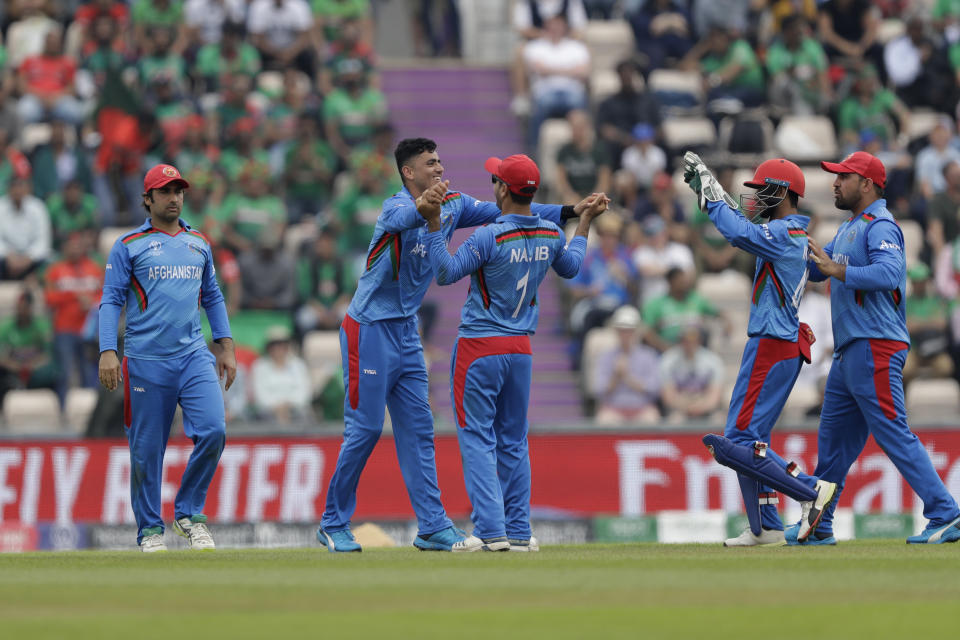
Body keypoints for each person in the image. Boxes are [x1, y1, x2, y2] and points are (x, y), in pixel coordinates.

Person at [317, 137, 603, 552]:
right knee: (364, 429)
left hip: (406, 331)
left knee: (419, 430)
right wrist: (424, 208)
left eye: (440, 161)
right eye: (429, 163)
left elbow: (515, 211)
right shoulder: (394, 207)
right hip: (369, 328)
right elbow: (403, 219)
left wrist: (571, 212)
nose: (438, 168)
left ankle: (432, 526)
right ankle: (333, 521)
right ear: (408, 173)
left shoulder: (454, 203)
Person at [418, 154, 606, 552]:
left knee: (477, 439)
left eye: (495, 180)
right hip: (521, 350)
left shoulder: (489, 235)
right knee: (514, 441)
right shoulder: (552, 234)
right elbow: (571, 268)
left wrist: (435, 225)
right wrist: (583, 223)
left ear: (504, 189)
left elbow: (446, 272)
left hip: (480, 346)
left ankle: (490, 530)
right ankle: (519, 531)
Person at [802, 151, 960, 545]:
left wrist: (836, 269)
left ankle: (946, 512)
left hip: (875, 345)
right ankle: (819, 523)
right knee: (833, 444)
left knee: (893, 431)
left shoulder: (881, 225)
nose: (835, 183)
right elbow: (817, 267)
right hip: (849, 351)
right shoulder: (849, 227)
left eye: (843, 177)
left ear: (867, 184)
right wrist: (784, 242)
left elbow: (889, 274)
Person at [683, 152, 839, 546]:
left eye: (763, 190)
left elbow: (739, 235)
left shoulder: (786, 234)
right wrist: (718, 197)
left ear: (783, 193)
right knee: (753, 441)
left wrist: (713, 198)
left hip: (773, 345)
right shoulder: (793, 234)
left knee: (736, 439)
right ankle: (766, 525)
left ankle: (809, 490)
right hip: (779, 345)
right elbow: (748, 229)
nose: (756, 197)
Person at [98, 163, 237, 552]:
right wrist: (108, 350)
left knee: (213, 430)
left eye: (179, 190)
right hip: (145, 359)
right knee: (146, 450)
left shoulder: (199, 242)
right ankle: (150, 531)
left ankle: (189, 515)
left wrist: (225, 345)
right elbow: (110, 300)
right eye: (165, 191)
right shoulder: (128, 246)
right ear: (148, 199)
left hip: (193, 356)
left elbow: (212, 296)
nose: (174, 197)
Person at [589, 305, 661, 426]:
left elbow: (654, 389)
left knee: (651, 418)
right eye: (622, 330)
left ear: (636, 331)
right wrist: (616, 376)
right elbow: (599, 391)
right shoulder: (605, 356)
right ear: (616, 331)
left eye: (629, 330)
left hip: (642, 410)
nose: (626, 334)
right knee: (604, 420)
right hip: (612, 410)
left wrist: (627, 377)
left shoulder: (649, 355)